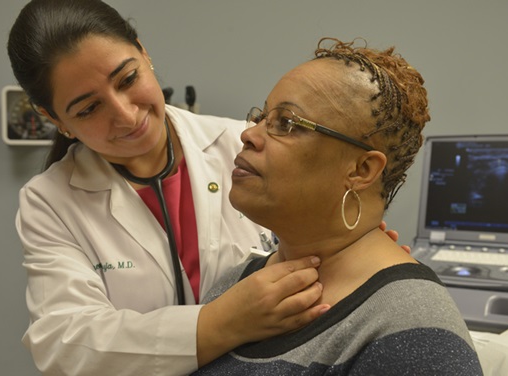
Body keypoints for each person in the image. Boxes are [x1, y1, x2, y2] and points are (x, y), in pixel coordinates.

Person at [8, 1, 407, 374]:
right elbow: (65, 343)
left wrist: (358, 254)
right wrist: (222, 322)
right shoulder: (51, 202)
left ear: (144, 53)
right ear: (54, 118)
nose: (126, 115)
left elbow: (329, 235)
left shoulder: (243, 145)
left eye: (128, 79)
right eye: (89, 108)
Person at [193, 38, 484, 375]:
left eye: (286, 123)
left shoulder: (412, 329)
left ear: (361, 170)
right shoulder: (235, 290)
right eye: (261, 117)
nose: (250, 134)